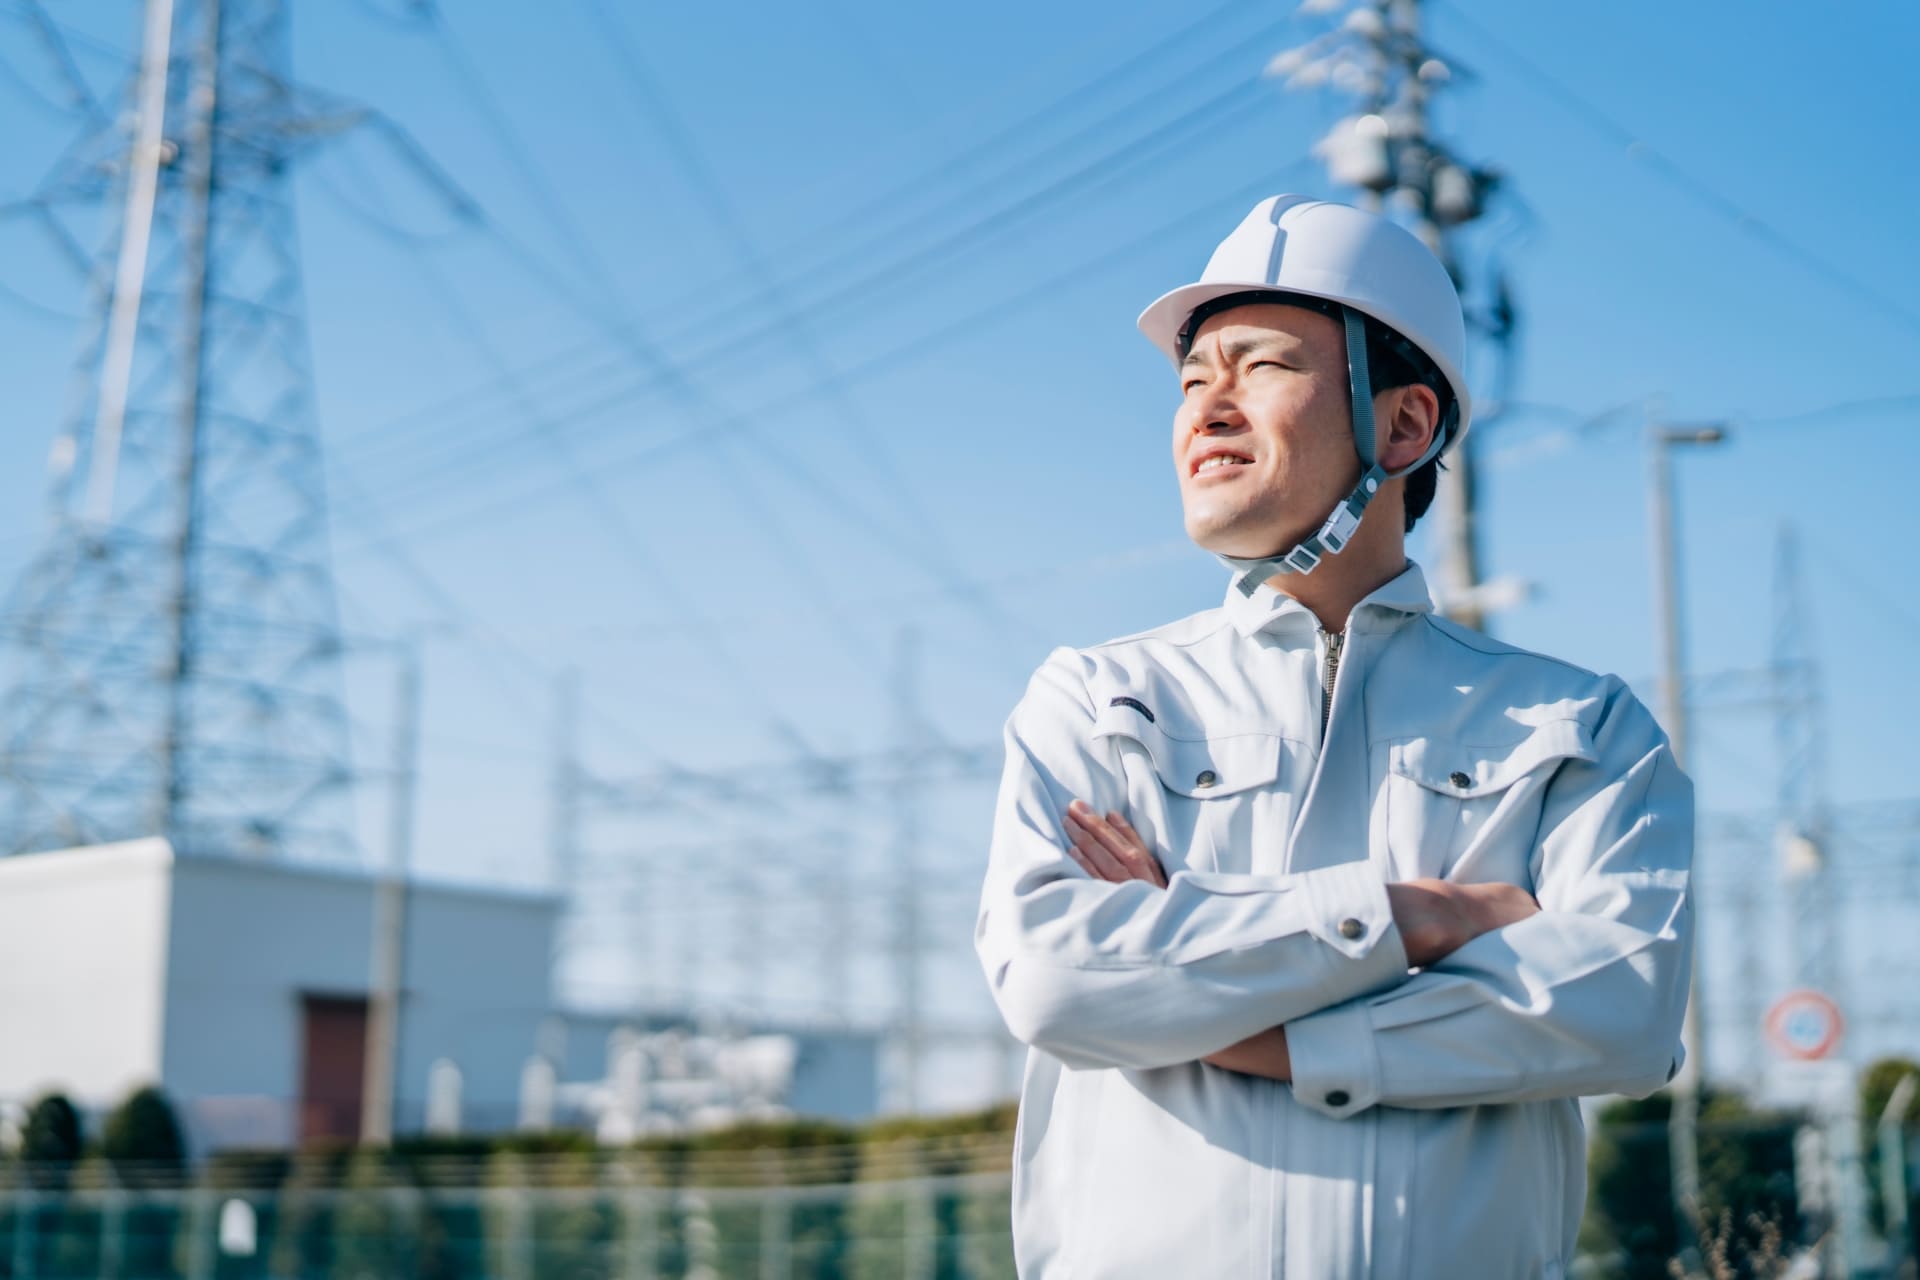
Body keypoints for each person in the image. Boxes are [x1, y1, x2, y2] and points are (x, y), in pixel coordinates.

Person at [974, 194, 1694, 1278]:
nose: (1207, 408)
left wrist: (1244, 1024)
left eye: (1260, 366)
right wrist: (1422, 917)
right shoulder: (1097, 698)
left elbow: (1622, 1009)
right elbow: (1057, 980)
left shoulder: (1580, 725)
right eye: (1191, 380)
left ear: (1404, 425)